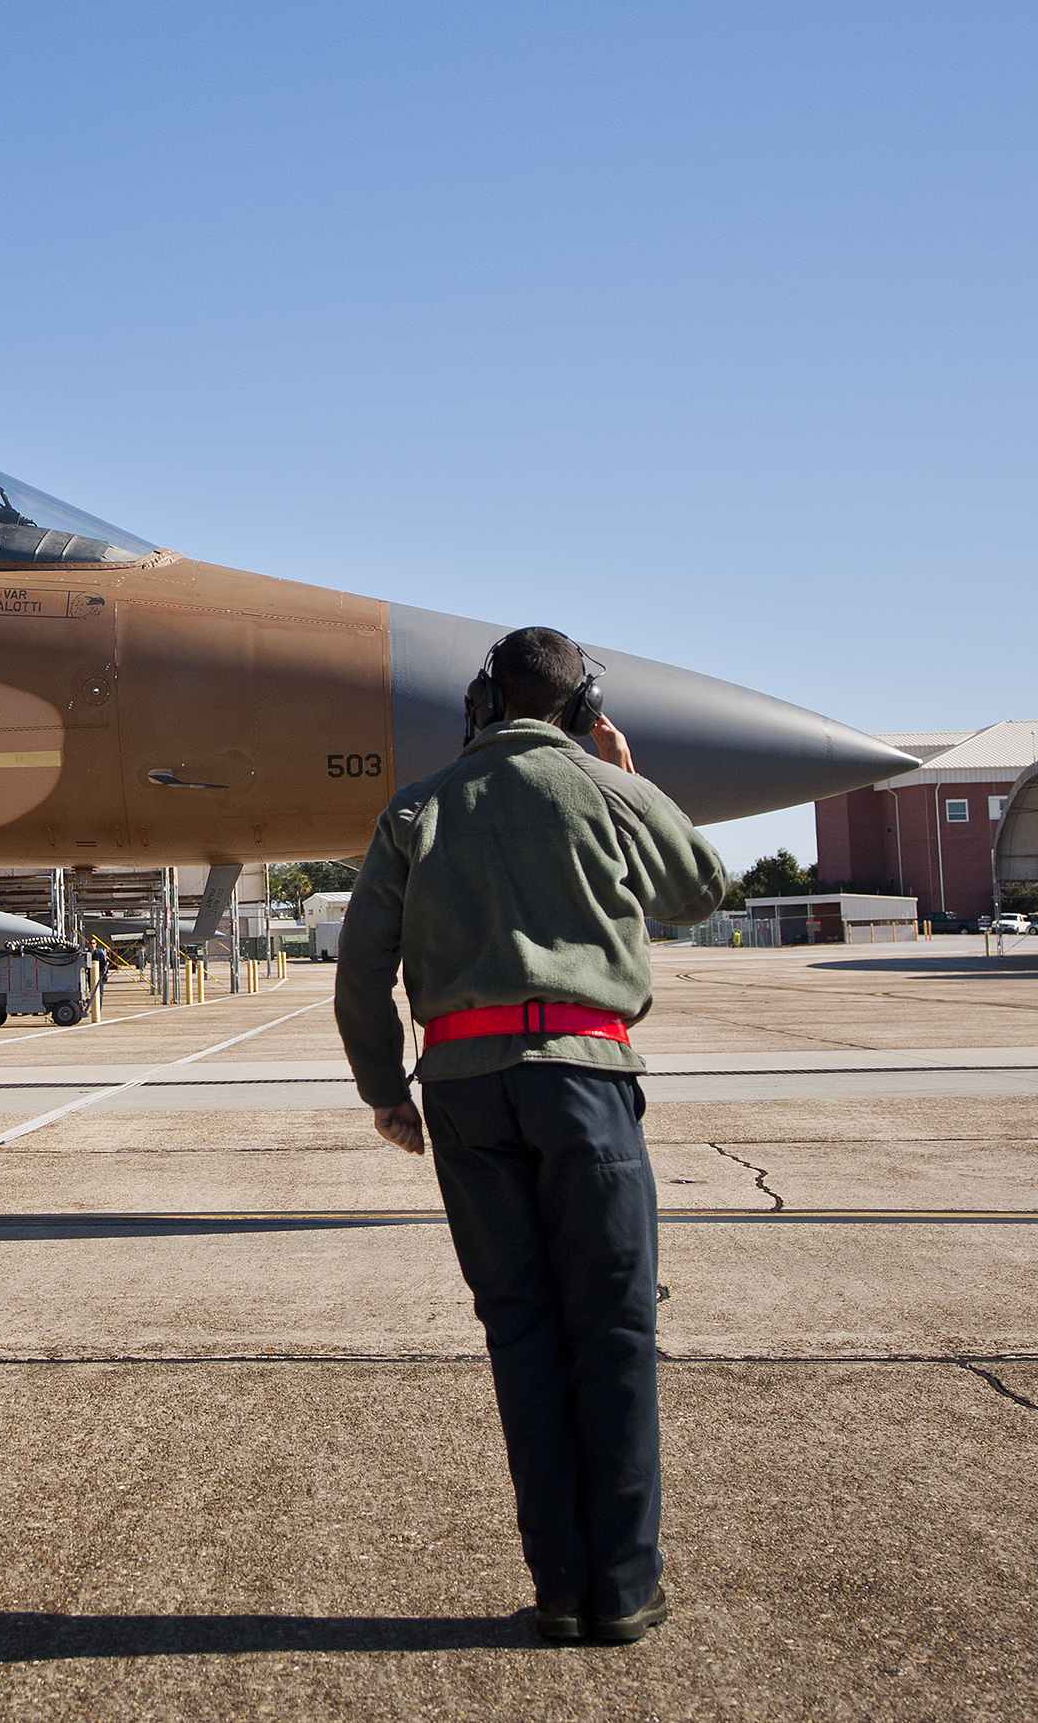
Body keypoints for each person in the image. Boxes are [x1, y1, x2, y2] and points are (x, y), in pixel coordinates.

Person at [334, 626, 729, 1649]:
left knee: (519, 1328)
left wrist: (386, 1093)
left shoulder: (417, 808)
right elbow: (698, 891)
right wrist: (629, 777)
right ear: (581, 706)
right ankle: (624, 1589)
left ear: (482, 702)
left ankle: (559, 1590)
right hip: (586, 1079)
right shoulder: (607, 788)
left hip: (463, 1090)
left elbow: (361, 968)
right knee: (613, 1326)